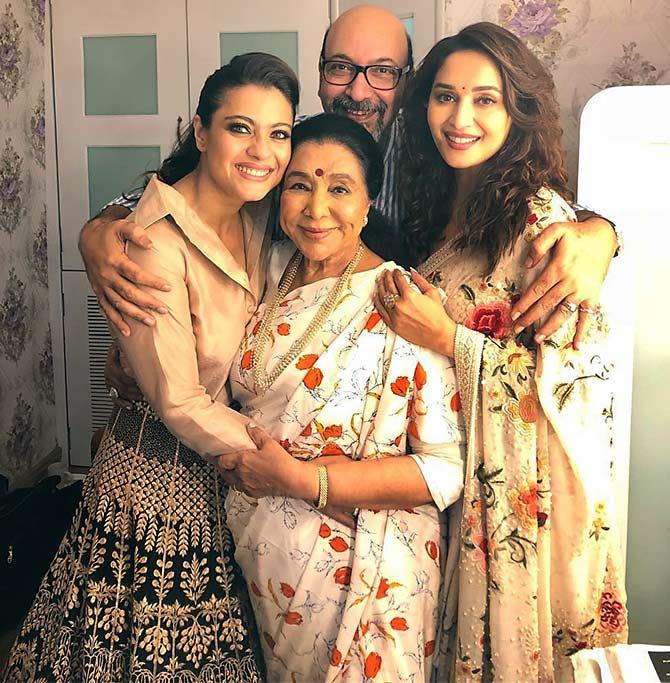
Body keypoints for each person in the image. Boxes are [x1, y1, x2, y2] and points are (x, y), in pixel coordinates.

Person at [3, 53, 299, 683]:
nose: (263, 151)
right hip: (156, 487)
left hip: (224, 475)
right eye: (240, 128)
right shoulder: (151, 243)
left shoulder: (257, 216)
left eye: (279, 134)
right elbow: (180, 403)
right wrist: (296, 466)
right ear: (201, 132)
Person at [78, 5, 618, 346]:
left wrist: (602, 235)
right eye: (340, 67)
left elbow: (523, 200)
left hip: (403, 376)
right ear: (319, 75)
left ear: (407, 83)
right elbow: (189, 184)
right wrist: (104, 224)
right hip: (269, 356)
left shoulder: (438, 151)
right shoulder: (287, 142)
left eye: (382, 72)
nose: (358, 91)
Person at [374, 23, 627, 682]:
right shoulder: (436, 205)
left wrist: (446, 338)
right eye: (444, 96)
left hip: (522, 524)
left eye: (485, 99)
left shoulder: (545, 228)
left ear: (518, 112)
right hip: (443, 495)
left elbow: (569, 397)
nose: (460, 118)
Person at [215, 113, 465, 682]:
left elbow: (443, 472)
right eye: (300, 184)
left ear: (370, 202)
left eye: (340, 188)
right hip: (260, 559)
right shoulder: (261, 269)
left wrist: (304, 482)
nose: (316, 207)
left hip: (367, 580)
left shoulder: (398, 300)